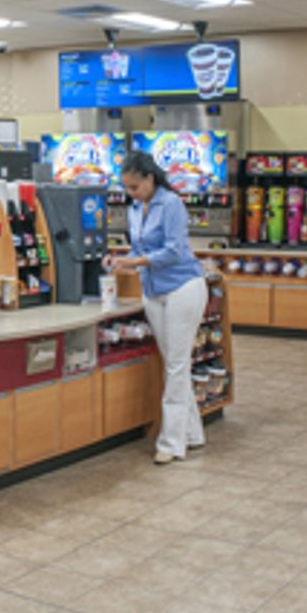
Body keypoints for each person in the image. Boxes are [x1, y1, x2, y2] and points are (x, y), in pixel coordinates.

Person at [111, 152, 208, 465]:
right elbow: (140, 249)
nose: (131, 193)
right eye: (127, 188)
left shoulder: (172, 204)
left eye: (135, 187)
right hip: (153, 291)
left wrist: (134, 261)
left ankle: (171, 442)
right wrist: (120, 260)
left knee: (177, 366)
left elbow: (174, 250)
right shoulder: (136, 209)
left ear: (150, 179)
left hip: (183, 287)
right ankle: (193, 433)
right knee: (173, 363)